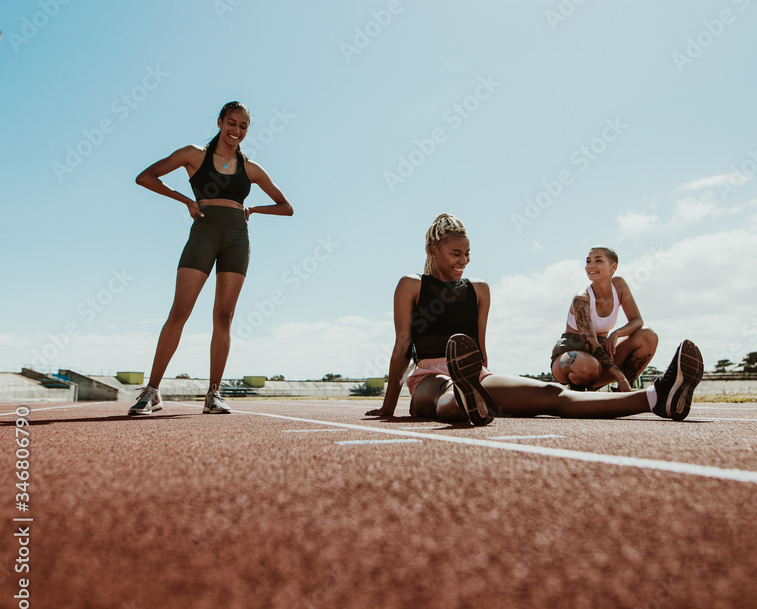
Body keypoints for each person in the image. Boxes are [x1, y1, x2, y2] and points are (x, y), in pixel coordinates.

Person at [365, 214, 703, 425]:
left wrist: (484, 376)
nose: (464, 260)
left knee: (551, 394)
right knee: (443, 398)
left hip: (475, 374)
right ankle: (468, 399)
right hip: (428, 376)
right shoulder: (411, 285)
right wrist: (389, 405)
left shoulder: (479, 289)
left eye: (468, 253)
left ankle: (659, 398)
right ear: (433, 250)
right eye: (456, 253)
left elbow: (479, 348)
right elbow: (403, 344)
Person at [128, 101, 292, 415]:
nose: (237, 131)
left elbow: (286, 206)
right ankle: (152, 391)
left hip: (236, 238)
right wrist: (185, 200)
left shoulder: (252, 168)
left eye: (244, 126)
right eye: (232, 123)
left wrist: (254, 209)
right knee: (180, 311)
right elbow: (146, 177)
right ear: (219, 122)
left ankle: (213, 394)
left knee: (224, 317)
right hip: (203, 233)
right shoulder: (194, 155)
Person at [550, 246, 658, 392]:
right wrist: (619, 376)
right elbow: (592, 344)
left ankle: (622, 392)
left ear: (613, 267)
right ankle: (577, 390)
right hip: (570, 355)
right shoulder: (582, 298)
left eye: (598, 261)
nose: (591, 266)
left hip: (601, 355)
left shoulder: (619, 285)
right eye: (588, 261)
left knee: (648, 335)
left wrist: (616, 334)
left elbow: (637, 321)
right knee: (589, 366)